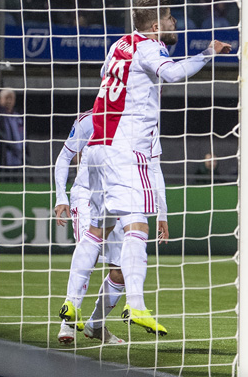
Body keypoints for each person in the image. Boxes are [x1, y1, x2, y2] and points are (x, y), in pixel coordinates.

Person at [58, 0, 231, 336]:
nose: (174, 23)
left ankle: (71, 304)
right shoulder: (151, 47)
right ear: (155, 26)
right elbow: (172, 74)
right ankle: (136, 305)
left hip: (98, 147)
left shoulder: (119, 45)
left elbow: (113, 79)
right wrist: (207, 53)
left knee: (97, 231)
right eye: (169, 18)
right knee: (137, 226)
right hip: (124, 149)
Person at [53, 110, 170, 345]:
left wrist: (162, 211)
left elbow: (155, 167)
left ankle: (96, 325)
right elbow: (65, 156)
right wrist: (60, 196)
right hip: (88, 194)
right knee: (91, 248)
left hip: (122, 194)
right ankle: (68, 321)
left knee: (120, 271)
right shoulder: (89, 119)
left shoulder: (147, 123)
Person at [0, 88, 27, 172]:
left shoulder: (18, 116)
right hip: (3, 155)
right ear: (0, 99)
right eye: (7, 98)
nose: (9, 101)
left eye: (11, 98)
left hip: (19, 155)